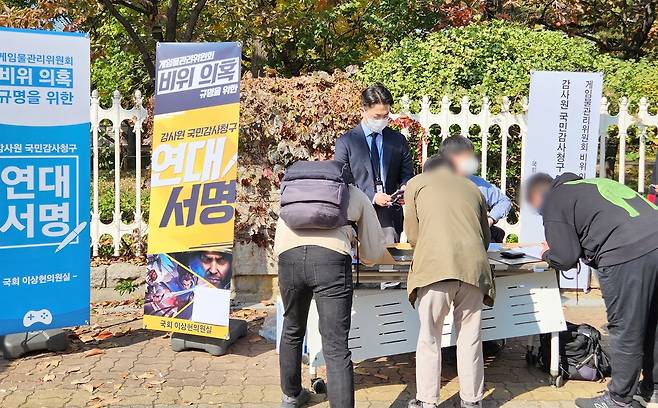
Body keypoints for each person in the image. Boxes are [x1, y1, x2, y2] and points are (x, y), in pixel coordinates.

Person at [525, 172, 658, 408]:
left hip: (626, 253)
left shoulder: (555, 199)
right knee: (653, 322)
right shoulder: (591, 184)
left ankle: (618, 399)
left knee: (626, 328)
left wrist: (546, 252)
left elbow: (564, 257)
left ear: (538, 197)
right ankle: (653, 387)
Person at [274, 162, 386, 408]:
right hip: (330, 260)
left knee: (292, 328)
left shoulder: (291, 189)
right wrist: (362, 252)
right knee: (335, 343)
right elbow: (374, 249)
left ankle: (290, 396)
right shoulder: (352, 193)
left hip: (288, 257)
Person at [404, 154, 493, 408]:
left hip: (434, 269)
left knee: (430, 337)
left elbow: (412, 234)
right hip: (473, 271)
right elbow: (484, 239)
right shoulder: (472, 188)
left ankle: (427, 401)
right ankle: (472, 400)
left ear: (427, 170)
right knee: (470, 337)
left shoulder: (417, 183)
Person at [335, 83, 414, 243]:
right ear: (362, 111)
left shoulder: (397, 140)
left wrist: (405, 187)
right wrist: (372, 196)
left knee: (389, 263)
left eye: (385, 116)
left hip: (390, 215)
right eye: (376, 117)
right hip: (357, 213)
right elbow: (342, 180)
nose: (381, 120)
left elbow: (407, 173)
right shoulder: (346, 142)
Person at [439, 135, 512, 243]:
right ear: (452, 158)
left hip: (475, 242)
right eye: (467, 157)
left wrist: (491, 219)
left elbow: (504, 201)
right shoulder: (436, 183)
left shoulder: (479, 183)